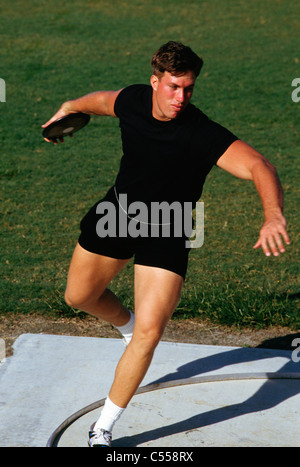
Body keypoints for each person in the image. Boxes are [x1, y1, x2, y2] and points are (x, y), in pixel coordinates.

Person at [42, 41, 290, 447]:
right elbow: (99, 101)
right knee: (79, 296)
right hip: (116, 214)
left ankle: (102, 428)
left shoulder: (201, 132)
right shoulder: (134, 100)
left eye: (189, 88)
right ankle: (126, 323)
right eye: (173, 87)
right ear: (154, 82)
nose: (181, 98)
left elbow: (260, 166)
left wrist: (273, 215)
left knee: (151, 334)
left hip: (168, 228)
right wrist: (70, 106)